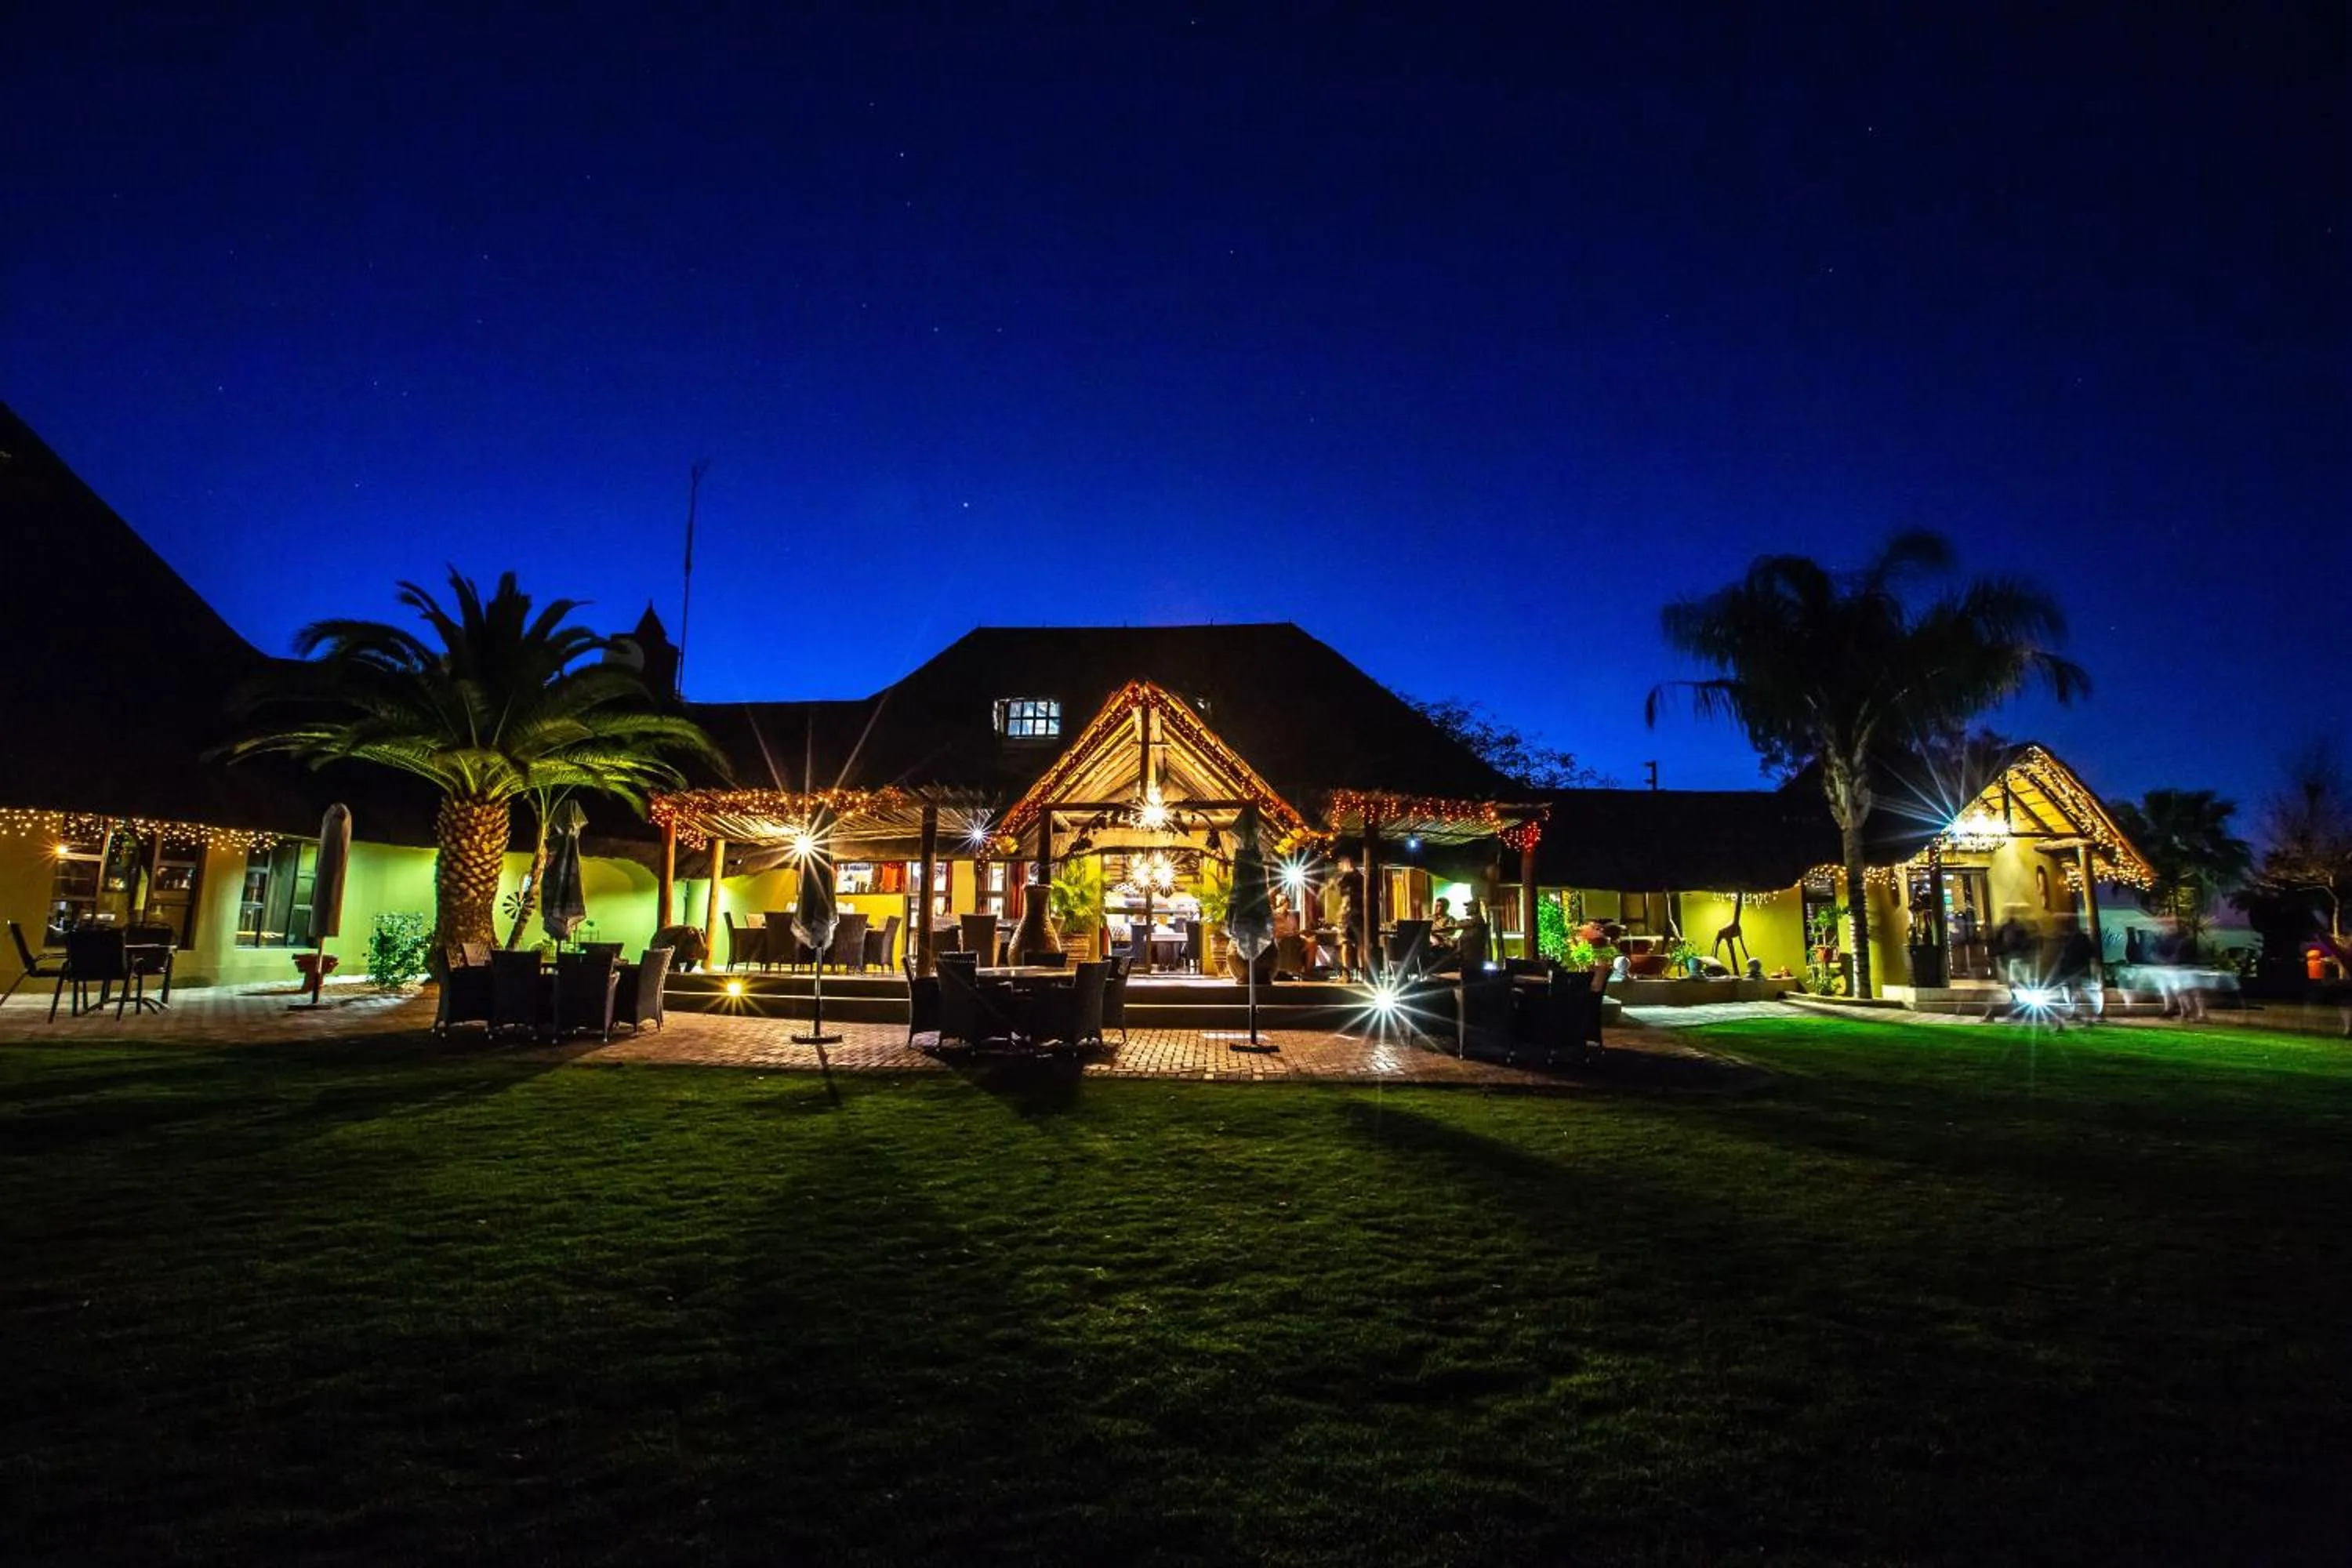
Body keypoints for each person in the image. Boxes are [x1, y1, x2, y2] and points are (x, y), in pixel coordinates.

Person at [1334, 855, 1365, 982]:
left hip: (1350, 915)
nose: (1339, 866)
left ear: (1346, 863)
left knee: (1349, 944)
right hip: (1355, 915)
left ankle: (1351, 973)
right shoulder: (1359, 878)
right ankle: (1359, 972)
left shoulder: (1350, 877)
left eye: (1340, 863)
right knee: (1357, 945)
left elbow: (1342, 889)